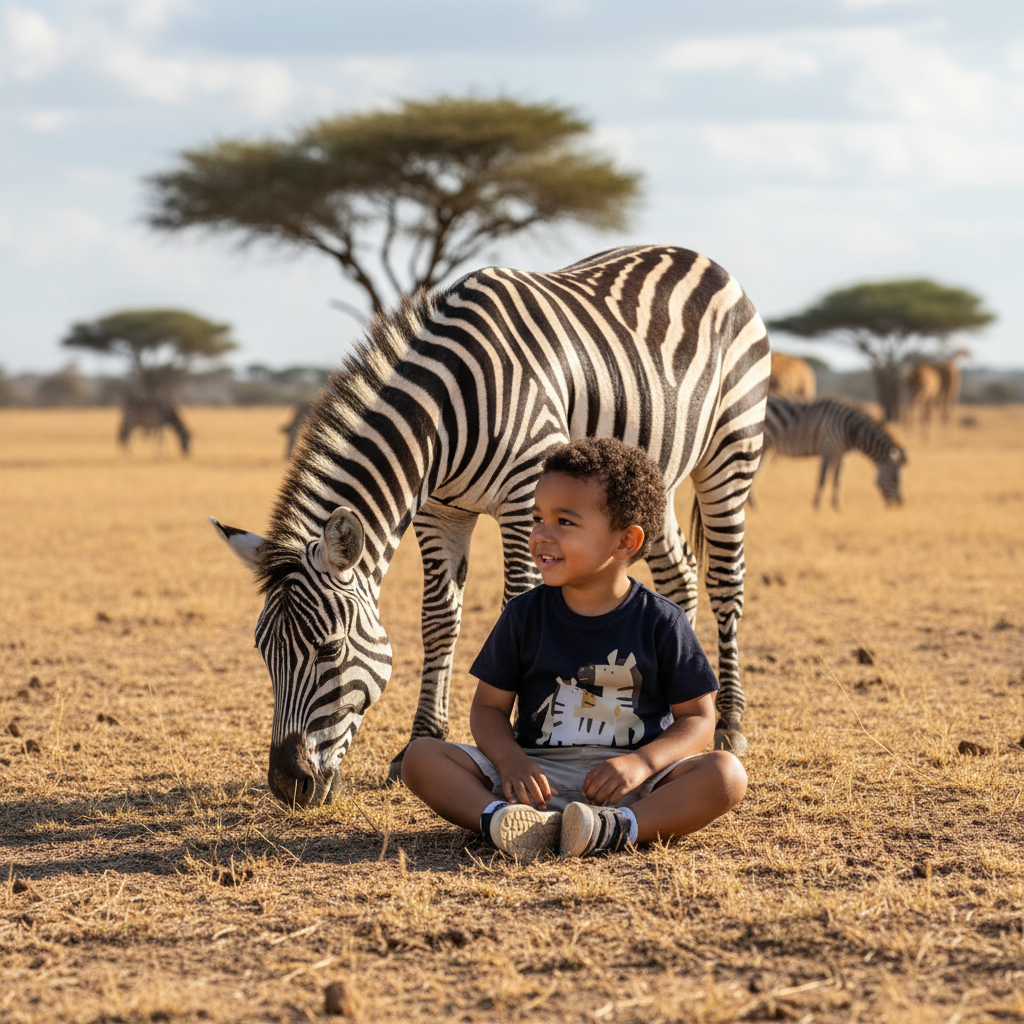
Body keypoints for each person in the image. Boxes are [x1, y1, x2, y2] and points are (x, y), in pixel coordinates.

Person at [401, 437, 747, 860]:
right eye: (536, 518)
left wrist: (641, 764)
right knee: (420, 756)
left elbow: (697, 718)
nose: (541, 535)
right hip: (533, 783)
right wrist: (512, 763)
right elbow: (488, 709)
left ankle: (615, 829)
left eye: (564, 522)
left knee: (726, 773)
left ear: (625, 542)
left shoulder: (663, 621)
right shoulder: (522, 615)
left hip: (630, 785)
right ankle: (501, 821)